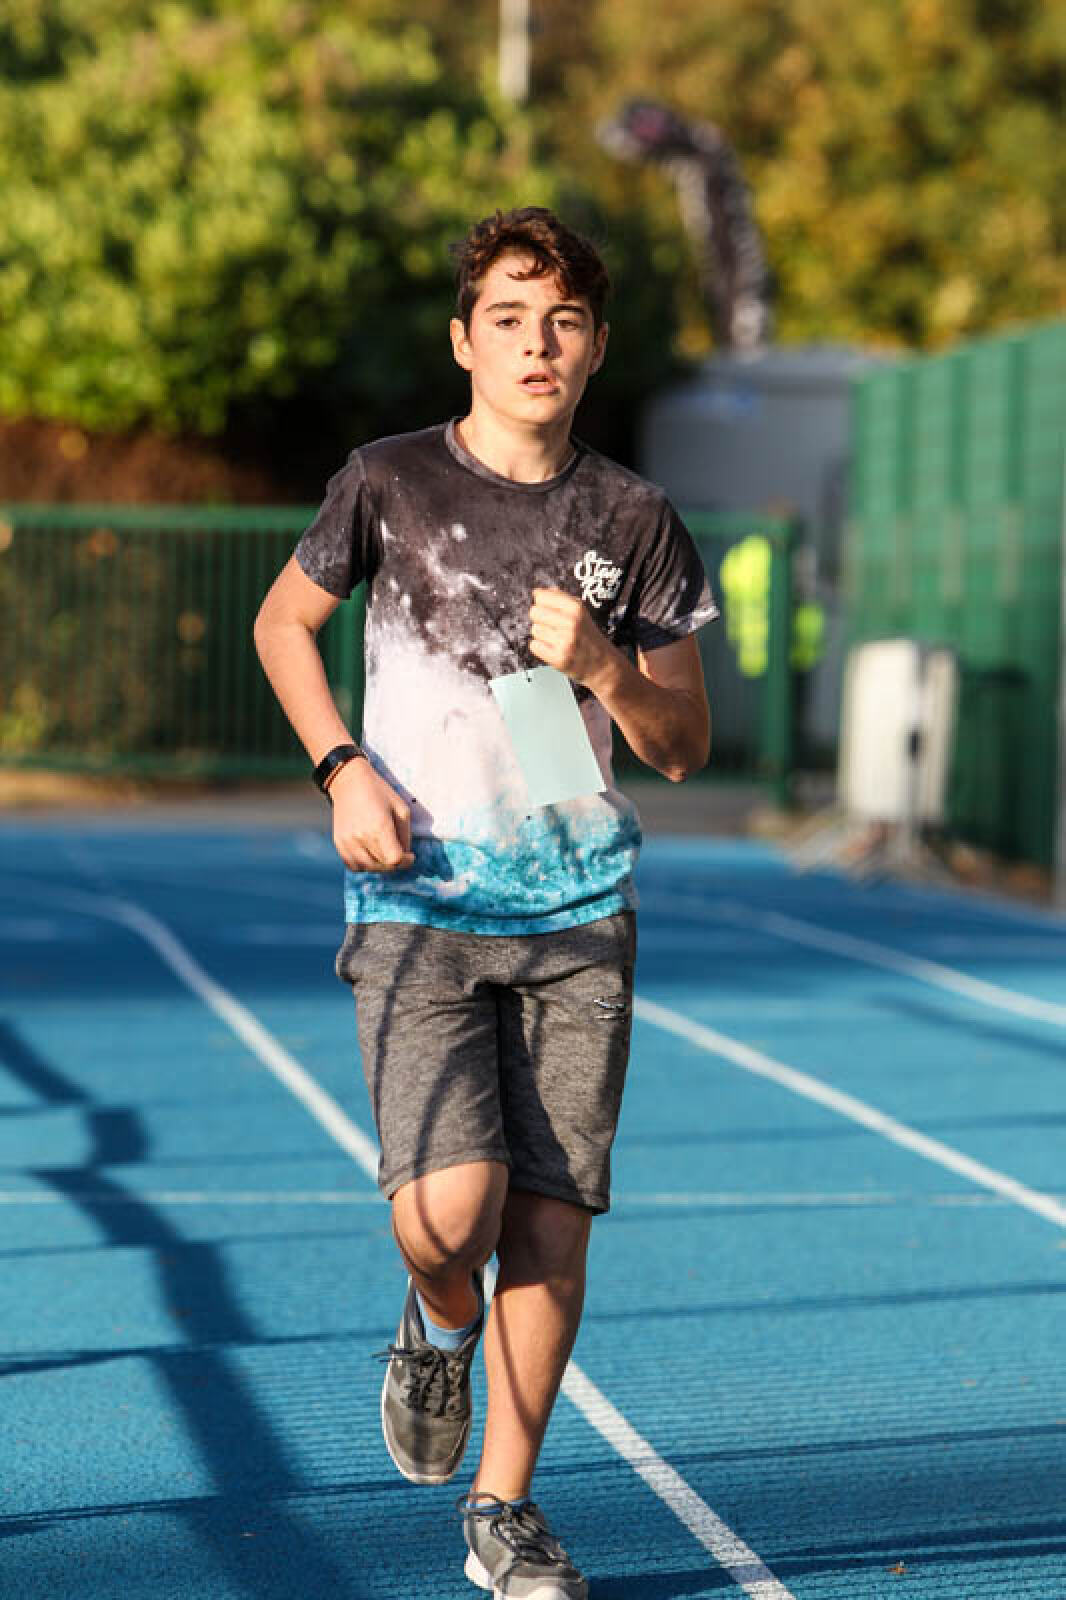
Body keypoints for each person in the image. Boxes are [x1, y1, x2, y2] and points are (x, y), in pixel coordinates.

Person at [253, 205, 717, 1599]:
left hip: (579, 914)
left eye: (563, 321)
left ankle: (504, 1508)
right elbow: (284, 624)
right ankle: (436, 1318)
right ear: (464, 341)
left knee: (551, 1225)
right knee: (448, 1220)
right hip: (419, 902)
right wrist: (340, 767)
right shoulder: (387, 481)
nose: (536, 344)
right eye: (509, 319)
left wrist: (609, 671)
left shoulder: (634, 520)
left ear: (596, 347)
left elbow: (682, 746)